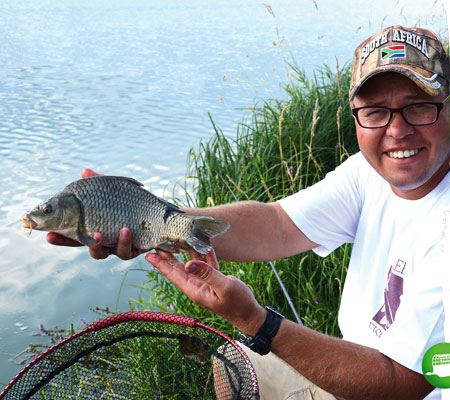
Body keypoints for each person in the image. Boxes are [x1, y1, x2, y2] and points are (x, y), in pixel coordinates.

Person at [48, 25, 450, 399]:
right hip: (363, 366)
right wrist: (153, 222)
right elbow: (277, 226)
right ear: (357, 118)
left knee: (253, 348)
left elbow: (405, 384)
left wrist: (257, 320)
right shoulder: (370, 172)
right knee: (234, 364)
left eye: (418, 107)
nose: (397, 131)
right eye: (376, 111)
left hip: (394, 388)